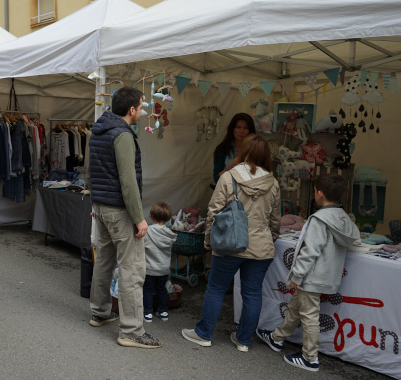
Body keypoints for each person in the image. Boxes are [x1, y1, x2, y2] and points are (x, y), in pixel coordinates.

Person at [182, 134, 280, 352]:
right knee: (253, 294)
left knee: (216, 289)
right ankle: (244, 340)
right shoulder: (272, 183)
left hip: (229, 243)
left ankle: (204, 334)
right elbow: (275, 221)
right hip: (261, 248)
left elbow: (213, 211)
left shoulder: (229, 177)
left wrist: (208, 240)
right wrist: (268, 239)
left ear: (243, 151)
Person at [256, 174, 359, 372]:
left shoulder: (319, 220)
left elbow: (310, 251)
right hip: (327, 276)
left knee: (309, 315)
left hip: (311, 276)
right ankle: (277, 338)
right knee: (297, 305)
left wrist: (297, 275)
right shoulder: (344, 218)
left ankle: (310, 357)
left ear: (319, 194)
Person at [88, 87, 162, 349]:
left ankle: (99, 312)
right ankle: (131, 330)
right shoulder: (122, 135)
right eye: (141, 108)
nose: (142, 112)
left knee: (105, 259)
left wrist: (95, 199)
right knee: (132, 268)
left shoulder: (99, 130)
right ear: (131, 110)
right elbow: (128, 181)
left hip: (101, 205)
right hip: (119, 209)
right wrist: (139, 218)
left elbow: (92, 170)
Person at [143, 202, 178, 323]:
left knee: (147, 289)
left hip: (149, 268)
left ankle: (148, 313)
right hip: (163, 269)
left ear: (151, 215)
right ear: (168, 219)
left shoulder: (147, 231)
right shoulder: (169, 234)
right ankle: (163, 312)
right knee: (161, 289)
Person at [213, 113, 256, 184]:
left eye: (246, 128)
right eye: (238, 127)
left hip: (250, 191)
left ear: (250, 130)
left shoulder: (256, 149)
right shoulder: (222, 149)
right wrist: (230, 166)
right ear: (232, 129)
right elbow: (216, 179)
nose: (241, 131)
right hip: (228, 191)